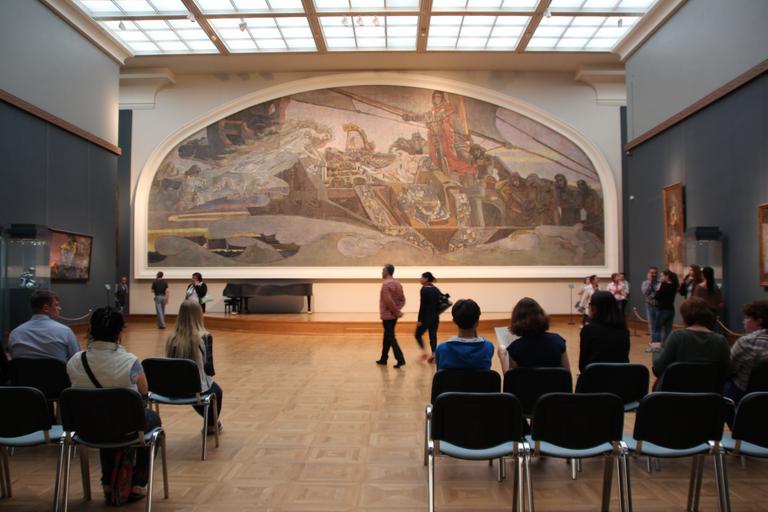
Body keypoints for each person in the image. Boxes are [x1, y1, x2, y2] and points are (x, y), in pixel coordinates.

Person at [66, 307, 160, 503]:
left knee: (101, 416)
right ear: (119, 334)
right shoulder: (130, 362)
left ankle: (108, 483)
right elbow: (144, 391)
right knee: (150, 419)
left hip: (86, 427)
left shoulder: (74, 361)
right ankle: (137, 483)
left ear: (91, 331)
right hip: (125, 426)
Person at [166, 300, 223, 433]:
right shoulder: (205, 337)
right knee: (217, 392)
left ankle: (211, 423)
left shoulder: (171, 339)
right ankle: (211, 424)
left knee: (194, 390)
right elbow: (209, 369)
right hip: (196, 388)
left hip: (173, 387)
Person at [652, 297, 730, 379]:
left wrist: (656, 349)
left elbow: (658, 370)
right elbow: (728, 371)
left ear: (685, 317)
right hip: (710, 386)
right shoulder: (720, 340)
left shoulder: (677, 337)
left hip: (678, 386)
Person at [497, 297, 570, 374]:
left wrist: (503, 359)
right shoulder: (557, 340)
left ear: (516, 321)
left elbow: (511, 379)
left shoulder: (515, 348)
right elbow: (567, 375)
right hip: (555, 382)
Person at [8, 290, 80, 364]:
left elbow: (14, 359)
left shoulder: (15, 333)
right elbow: (77, 360)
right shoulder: (65, 331)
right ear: (46, 308)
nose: (59, 308)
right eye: (56, 305)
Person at [724, 300, 768, 404]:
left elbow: (728, 370)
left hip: (744, 396)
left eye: (747, 318)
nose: (744, 321)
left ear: (759, 321)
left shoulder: (746, 342)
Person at [434, 299, 494, 370]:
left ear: (454, 321)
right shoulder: (488, 347)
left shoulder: (442, 349)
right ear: (477, 322)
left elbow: (440, 375)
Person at [578, 291, 630, 372]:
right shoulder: (624, 330)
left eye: (590, 304)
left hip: (595, 375)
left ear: (594, 308)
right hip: (620, 376)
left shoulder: (588, 330)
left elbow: (582, 365)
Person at [376, 264, 406, 368]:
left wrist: (396, 311)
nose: (381, 272)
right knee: (387, 336)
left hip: (388, 316)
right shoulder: (397, 283)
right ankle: (383, 359)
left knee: (391, 337)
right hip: (394, 316)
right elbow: (402, 300)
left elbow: (388, 301)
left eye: (383, 270)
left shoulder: (386, 284)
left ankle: (400, 359)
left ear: (387, 271)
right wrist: (397, 311)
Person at [415, 271, 441, 361]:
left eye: (421, 277)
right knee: (432, 335)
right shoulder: (436, 289)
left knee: (417, 334)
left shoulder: (424, 289)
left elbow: (422, 306)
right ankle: (434, 353)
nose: (420, 279)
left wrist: (419, 320)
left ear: (426, 279)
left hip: (426, 318)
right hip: (435, 317)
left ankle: (424, 353)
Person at [651, 270, 679, 351]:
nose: (661, 277)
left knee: (657, 329)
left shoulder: (663, 285)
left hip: (662, 310)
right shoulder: (674, 285)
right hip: (671, 310)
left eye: (662, 276)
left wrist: (659, 287)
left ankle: (656, 348)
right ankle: (668, 348)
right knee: (668, 330)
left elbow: (656, 297)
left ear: (667, 277)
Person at [641, 266, 660, 349]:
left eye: (655, 273)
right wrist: (650, 283)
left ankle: (659, 342)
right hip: (650, 306)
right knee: (652, 325)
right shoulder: (645, 283)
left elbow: (658, 294)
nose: (654, 274)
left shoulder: (659, 283)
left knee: (659, 324)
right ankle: (653, 342)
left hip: (659, 306)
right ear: (648, 273)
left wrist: (653, 295)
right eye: (652, 273)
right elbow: (645, 293)